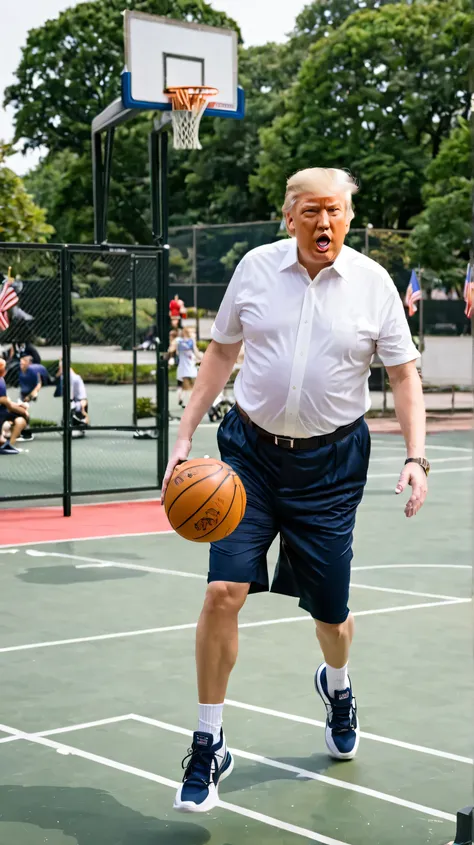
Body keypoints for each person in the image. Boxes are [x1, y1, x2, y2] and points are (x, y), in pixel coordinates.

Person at [161, 167, 429, 814]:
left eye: (335, 211)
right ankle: (209, 738)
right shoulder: (255, 269)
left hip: (331, 467)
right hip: (248, 458)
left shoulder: (372, 284)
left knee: (330, 615)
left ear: (347, 217)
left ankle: (337, 685)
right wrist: (183, 434)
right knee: (223, 590)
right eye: (312, 211)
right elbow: (221, 354)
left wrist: (417, 457)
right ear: (290, 217)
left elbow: (403, 375)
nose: (325, 223)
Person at [0, 357, 29, 454]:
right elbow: (7, 404)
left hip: (3, 411)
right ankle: (8, 444)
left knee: (19, 418)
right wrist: (22, 411)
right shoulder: (1, 382)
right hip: (2, 413)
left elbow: (6, 401)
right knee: (22, 419)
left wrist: (18, 405)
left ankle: (8, 442)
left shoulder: (1, 382)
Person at [169, 327, 202, 408]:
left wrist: (203, 358)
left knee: (191, 388)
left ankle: (184, 401)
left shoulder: (191, 342)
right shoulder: (179, 341)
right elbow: (171, 349)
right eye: (192, 332)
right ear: (187, 333)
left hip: (192, 369)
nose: (194, 334)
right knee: (188, 388)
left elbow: (197, 354)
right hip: (184, 370)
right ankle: (189, 404)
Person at [55, 362, 90, 434]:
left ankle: (78, 424)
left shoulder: (75, 379)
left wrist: (84, 413)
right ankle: (68, 424)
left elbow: (83, 400)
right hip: (71, 403)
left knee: (71, 406)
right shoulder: (63, 377)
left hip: (78, 404)